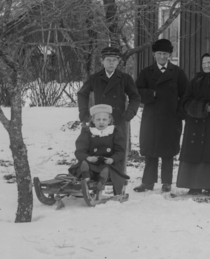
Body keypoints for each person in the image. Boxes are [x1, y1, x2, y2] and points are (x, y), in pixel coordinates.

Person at [76, 45, 140, 194]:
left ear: (118, 62)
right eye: (108, 60)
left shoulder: (125, 78)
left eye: (114, 60)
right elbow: (82, 93)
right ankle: (94, 180)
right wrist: (84, 112)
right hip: (99, 120)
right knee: (96, 150)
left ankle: (118, 185)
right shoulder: (95, 78)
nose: (111, 63)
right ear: (102, 61)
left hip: (118, 120)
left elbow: (135, 97)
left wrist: (130, 112)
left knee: (118, 151)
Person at [134, 38, 189, 193]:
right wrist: (152, 94)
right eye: (159, 53)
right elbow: (136, 92)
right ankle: (148, 182)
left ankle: (166, 182)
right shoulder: (146, 72)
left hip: (171, 118)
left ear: (170, 55)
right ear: (154, 55)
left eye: (165, 54)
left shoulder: (177, 73)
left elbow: (186, 95)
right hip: (151, 118)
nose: (162, 57)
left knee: (168, 151)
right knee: (150, 150)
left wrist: (180, 113)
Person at [177, 53, 210, 194]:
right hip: (195, 123)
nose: (206, 66)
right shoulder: (195, 80)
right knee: (195, 154)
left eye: (209, 63)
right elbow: (185, 99)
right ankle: (194, 184)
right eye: (204, 63)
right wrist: (195, 108)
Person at [71, 104, 129, 205]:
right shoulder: (87, 132)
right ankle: (87, 176)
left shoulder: (115, 131)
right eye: (98, 119)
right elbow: (79, 151)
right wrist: (88, 157)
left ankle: (102, 181)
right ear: (93, 121)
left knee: (107, 169)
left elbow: (120, 151)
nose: (101, 122)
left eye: (104, 119)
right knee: (84, 164)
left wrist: (113, 159)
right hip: (92, 163)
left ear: (109, 120)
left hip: (109, 163)